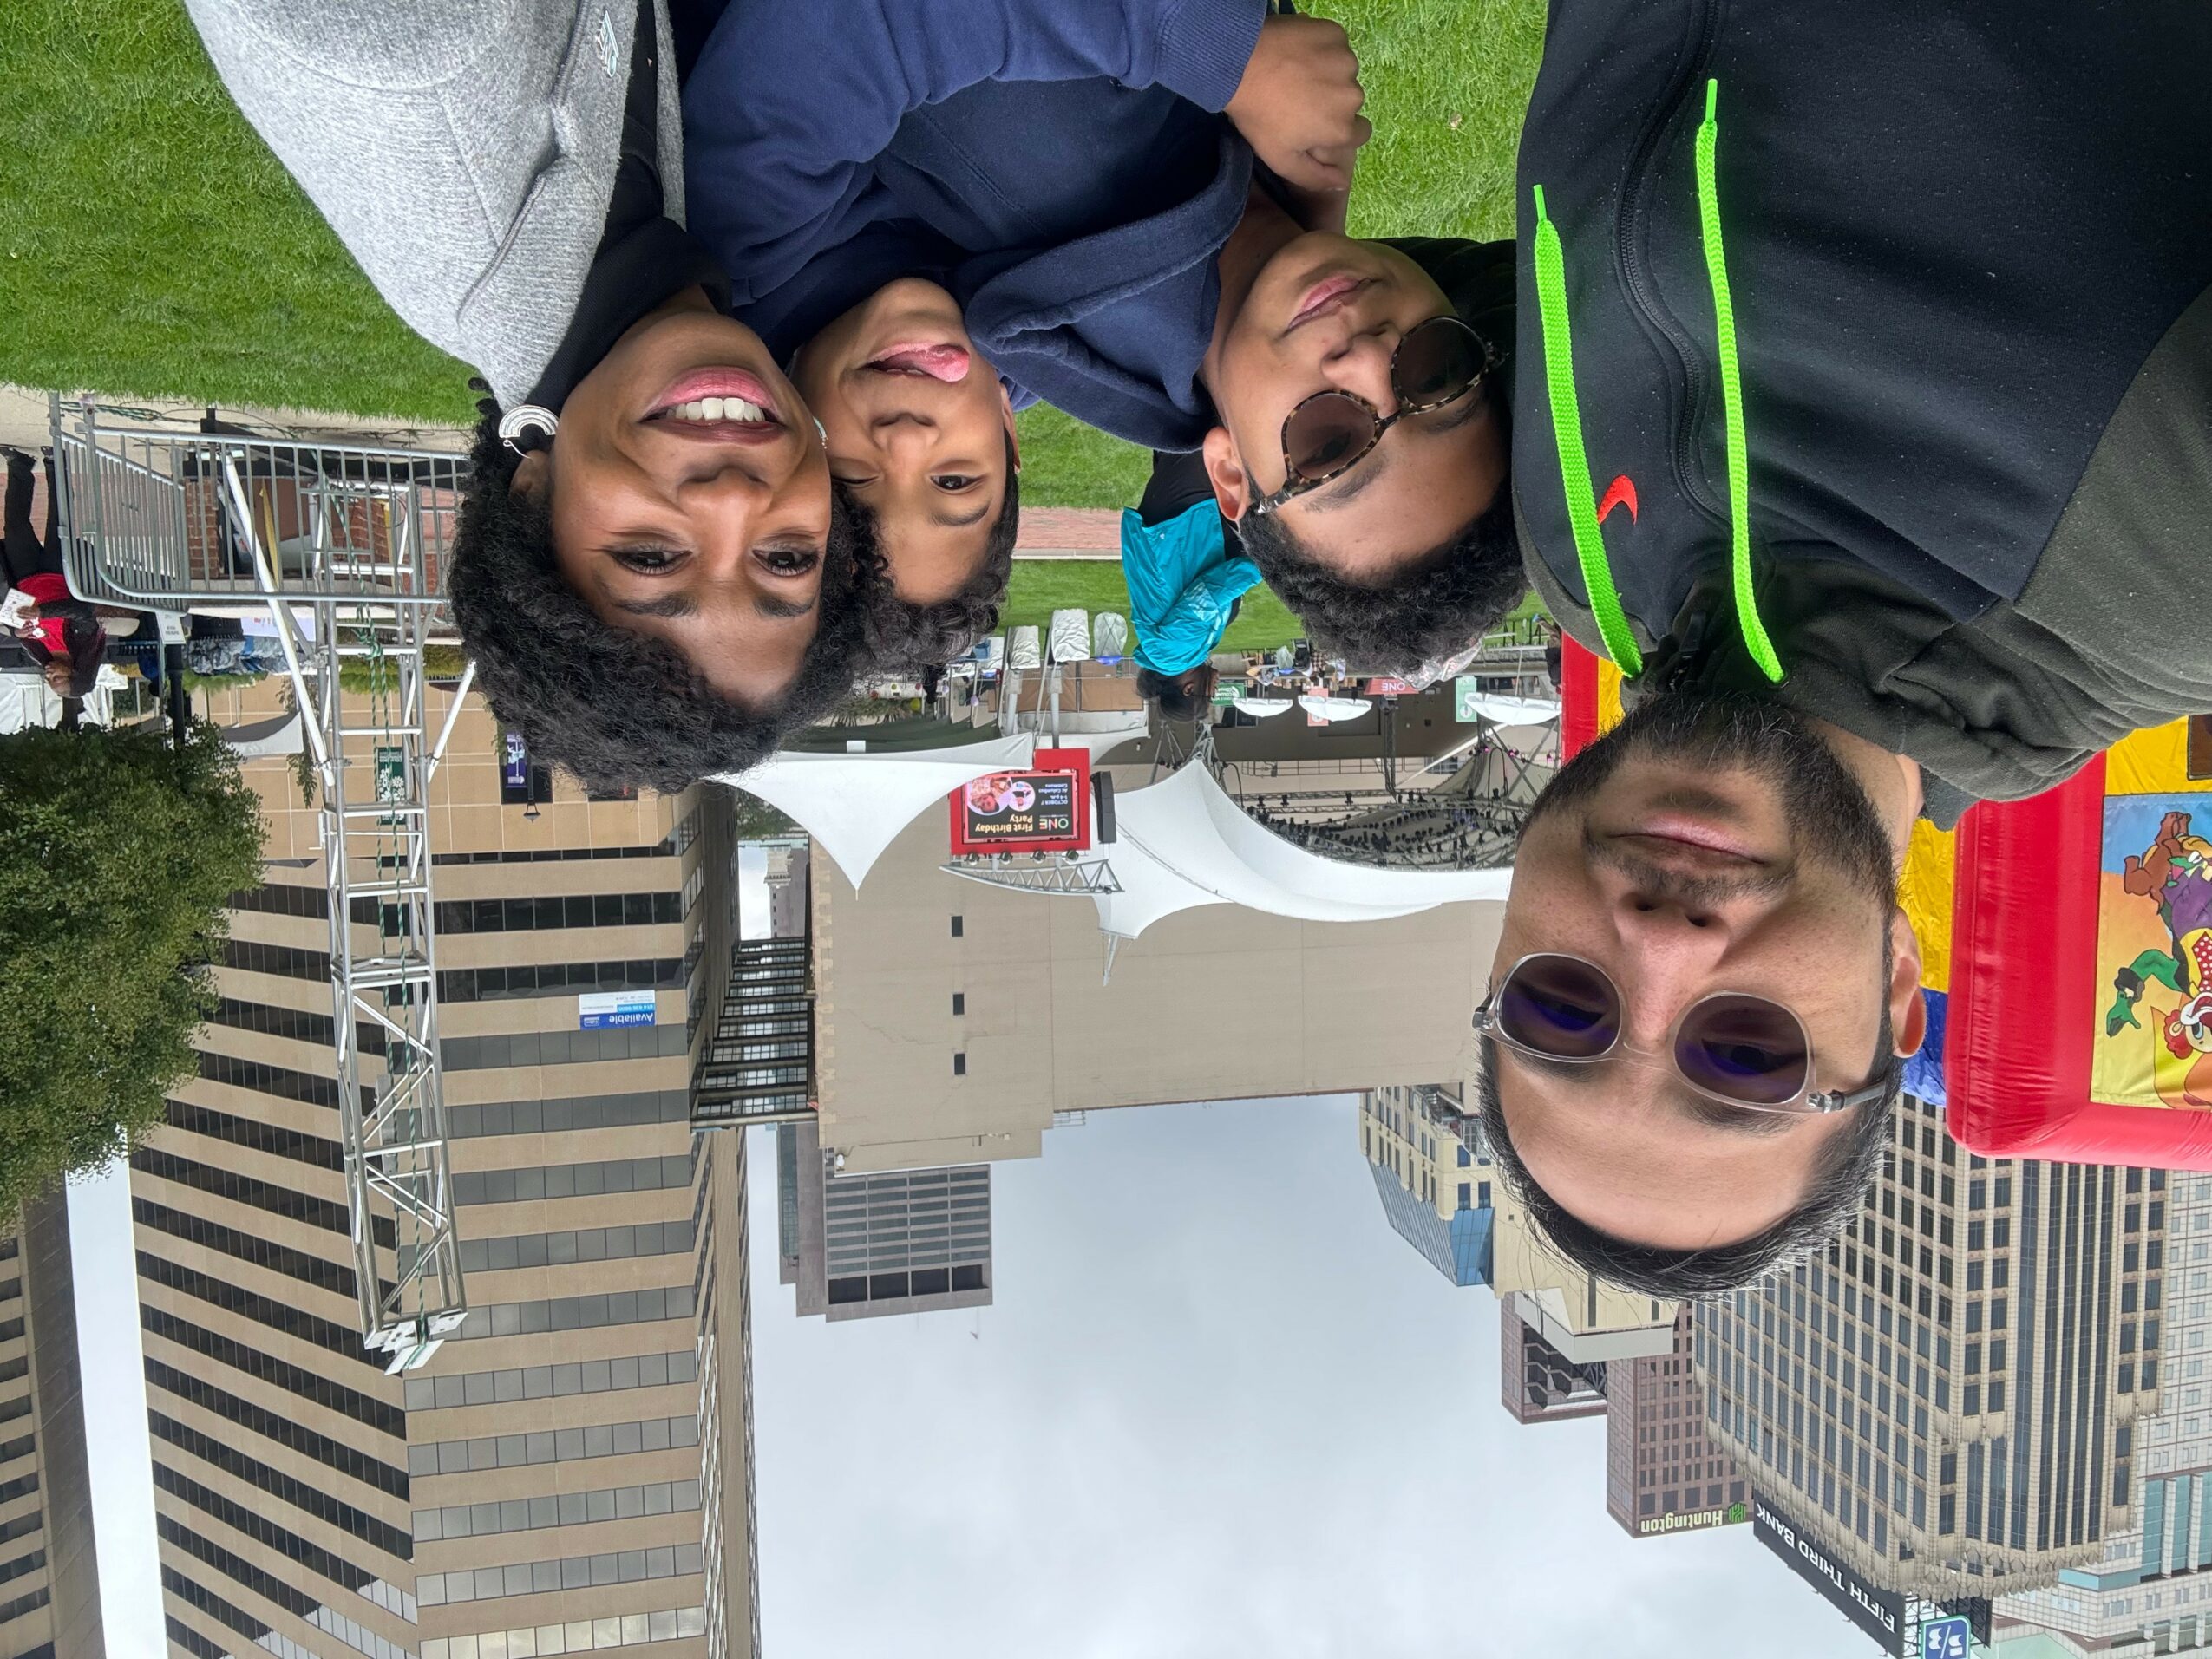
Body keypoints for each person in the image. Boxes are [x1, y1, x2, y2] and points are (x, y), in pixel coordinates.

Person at [1480, 0, 2212, 1296]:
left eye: (1559, 1013)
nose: (1657, 947)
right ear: (1894, 996)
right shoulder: (2169, 571)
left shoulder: (1571, 561)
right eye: (1747, 1055)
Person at [684, 3, 1511, 676]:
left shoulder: (1057, 208)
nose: (1368, 359)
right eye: (1441, 372)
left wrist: (1220, 51)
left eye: (1328, 443)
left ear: (1228, 474)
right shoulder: (1211, 237)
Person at [185, 0, 872, 791]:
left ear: (532, 493)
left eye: (650, 557)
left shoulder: (422, 73)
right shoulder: (648, 271)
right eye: (785, 559)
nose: (732, 500)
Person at [1122, 451, 1261, 723]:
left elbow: (1208, 594)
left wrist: (1265, 567)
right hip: (1189, 522)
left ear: (1189, 689)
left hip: (1180, 521)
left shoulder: (1174, 652)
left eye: (1208, 696)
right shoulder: (1186, 652)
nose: (1216, 689)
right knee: (1186, 429)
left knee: (1200, 433)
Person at [2, 448, 103, 702]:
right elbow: (82, 612)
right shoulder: (83, 642)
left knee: (14, 526)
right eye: (56, 679)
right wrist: (43, 613)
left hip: (26, 580)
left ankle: (19, 466)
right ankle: (55, 464)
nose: (49, 676)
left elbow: (16, 625)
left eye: (49, 681)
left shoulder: (39, 652)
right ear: (74, 672)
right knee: (59, 519)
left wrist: (16, 633)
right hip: (59, 574)